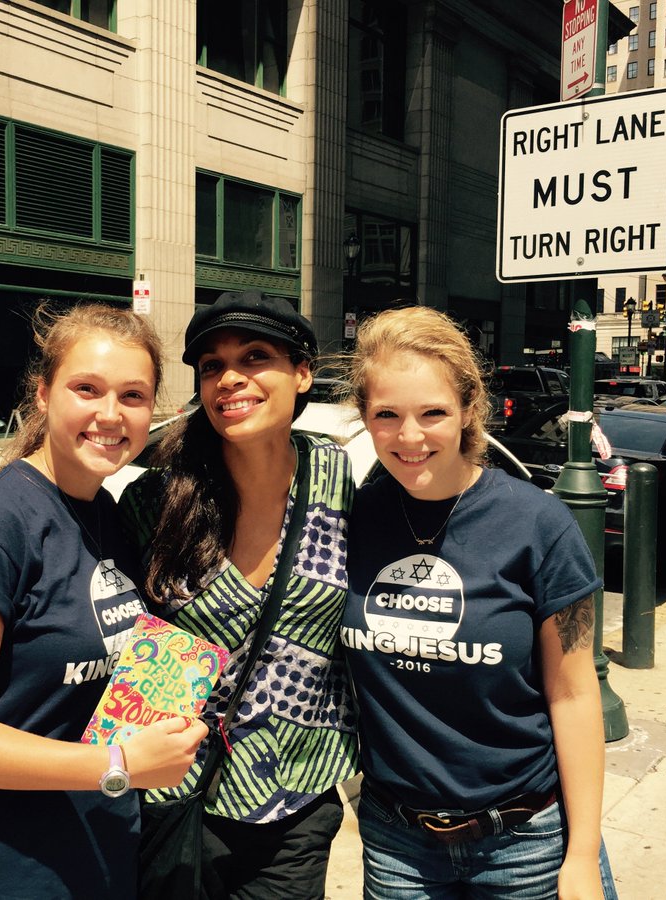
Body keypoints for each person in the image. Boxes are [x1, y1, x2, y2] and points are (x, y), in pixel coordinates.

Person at [0, 304, 208, 899]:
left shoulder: (107, 515)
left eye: (133, 396)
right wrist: (120, 766)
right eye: (88, 388)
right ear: (43, 394)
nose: (110, 414)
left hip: (90, 862)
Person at [341, 306, 617, 900]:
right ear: (364, 417)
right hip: (398, 847)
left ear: (468, 411)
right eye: (386, 415)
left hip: (525, 843)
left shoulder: (538, 524)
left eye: (432, 413)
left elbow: (573, 695)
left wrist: (582, 854)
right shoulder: (353, 520)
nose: (410, 436)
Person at [118, 290, 358, 899]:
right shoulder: (157, 501)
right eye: (211, 366)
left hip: (297, 797)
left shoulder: (340, 478)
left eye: (255, 357)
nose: (230, 379)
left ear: (302, 373)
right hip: (174, 795)